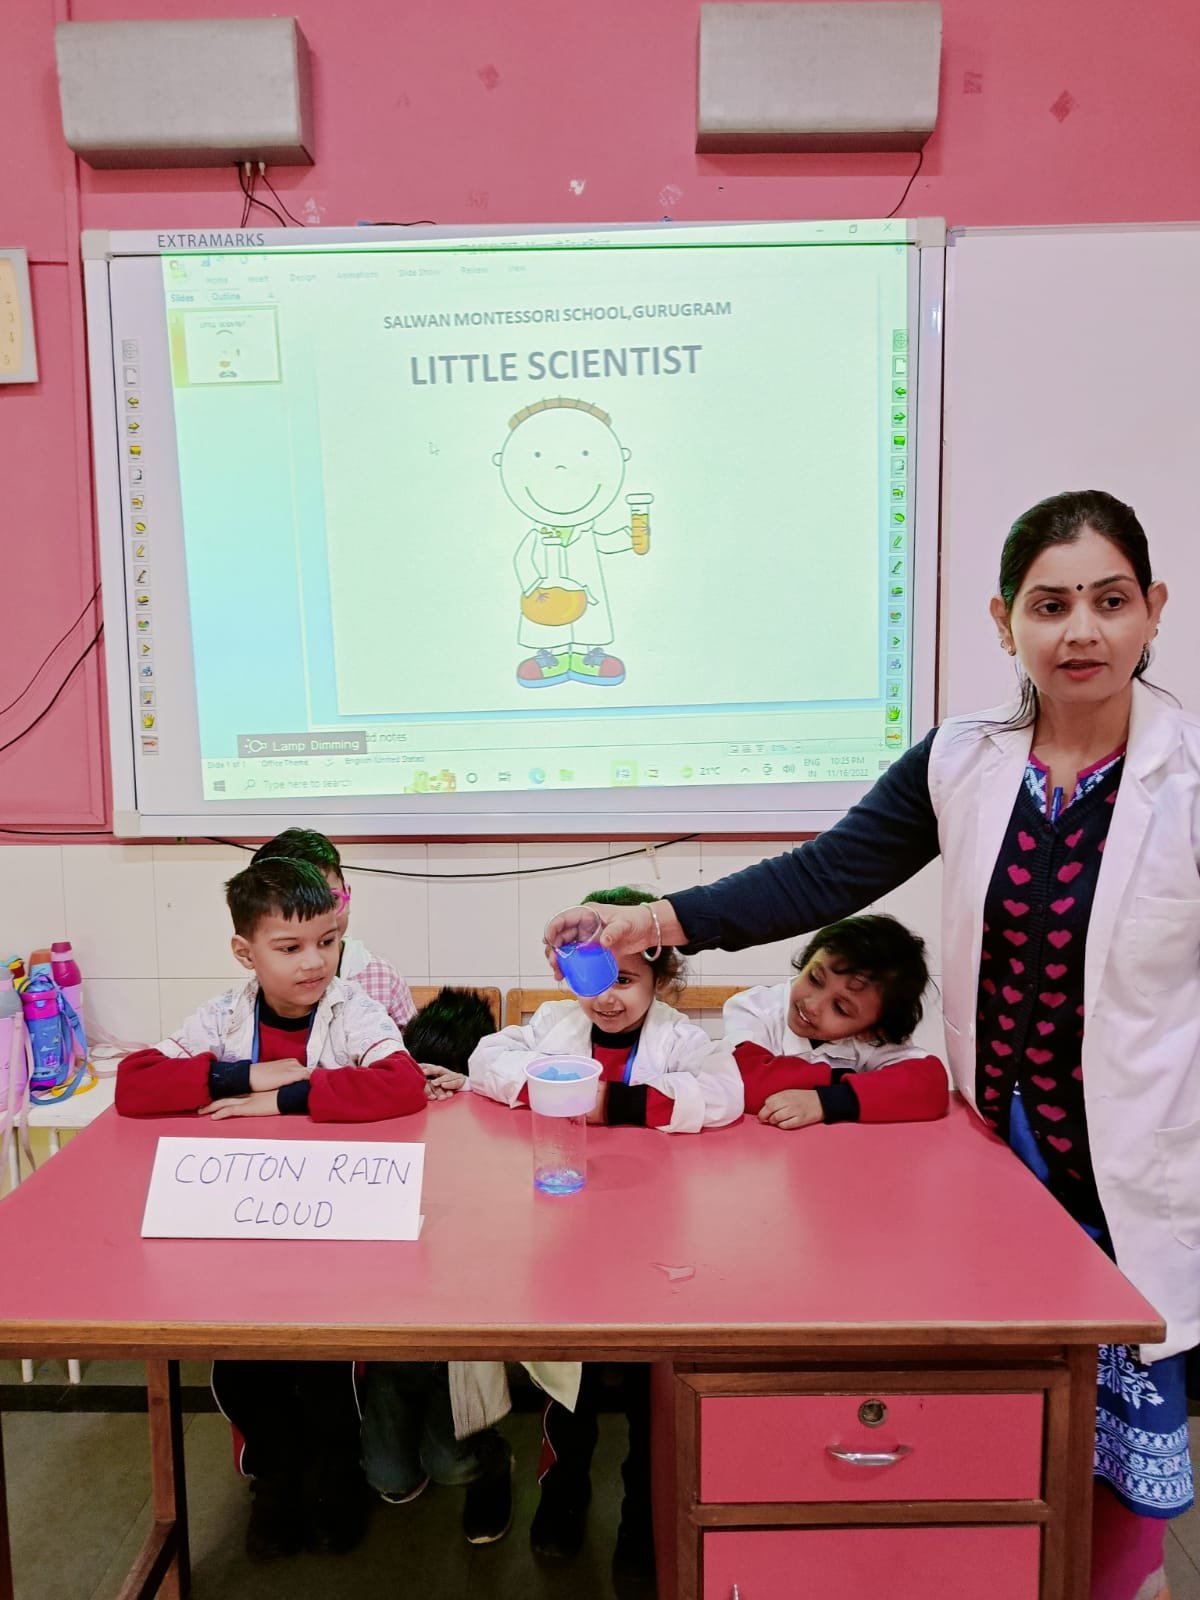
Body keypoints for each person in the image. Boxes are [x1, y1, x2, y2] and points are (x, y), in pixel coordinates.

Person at [545, 490, 1196, 1600]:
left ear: (1153, 609)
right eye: (1049, 605)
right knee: (1002, 1436)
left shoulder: (1188, 777)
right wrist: (650, 920)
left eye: (1109, 600)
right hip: (1006, 1154)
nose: (1080, 630)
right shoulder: (964, 761)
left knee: (1126, 1483)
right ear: (1004, 622)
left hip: (1138, 1168)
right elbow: (823, 874)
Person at [116, 858, 429, 1562]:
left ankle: (334, 1482)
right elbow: (134, 1085)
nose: (314, 962)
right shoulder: (223, 1017)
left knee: (324, 1374)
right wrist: (243, 1074)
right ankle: (276, 1483)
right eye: (289, 947)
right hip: (240, 1234)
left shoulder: (354, 1010)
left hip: (327, 1229)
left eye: (327, 941)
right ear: (245, 952)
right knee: (243, 1371)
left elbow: (401, 1085)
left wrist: (285, 1098)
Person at [470, 887, 741, 1586]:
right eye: (594, 981)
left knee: (654, 1398)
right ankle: (562, 1493)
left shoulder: (682, 1039)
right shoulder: (554, 1025)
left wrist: (606, 1102)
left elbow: (723, 1097)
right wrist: (543, 1087)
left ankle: (642, 1519)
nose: (608, 999)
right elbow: (485, 1062)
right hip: (570, 1234)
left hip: (653, 1240)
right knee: (572, 1386)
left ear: (661, 976)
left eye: (625, 980)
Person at [358, 985, 516, 1547]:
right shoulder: (389, 1107)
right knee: (389, 1477)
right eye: (422, 1078)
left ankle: (492, 1464)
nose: (435, 1092)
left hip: (460, 1326)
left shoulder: (496, 1122)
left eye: (445, 1081)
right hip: (394, 1319)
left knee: (451, 1463)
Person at [729, 913, 948, 1128]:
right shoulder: (754, 1007)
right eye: (815, 978)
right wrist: (859, 1081)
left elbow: (930, 1086)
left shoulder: (873, 1038)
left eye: (840, 1008)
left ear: (870, 1031)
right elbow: (743, 1080)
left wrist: (829, 1101)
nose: (812, 1005)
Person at [250, 827, 417, 1032]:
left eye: (331, 899)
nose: (319, 917)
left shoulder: (383, 977)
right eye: (290, 948)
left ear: (347, 893)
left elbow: (413, 1047)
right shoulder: (256, 991)